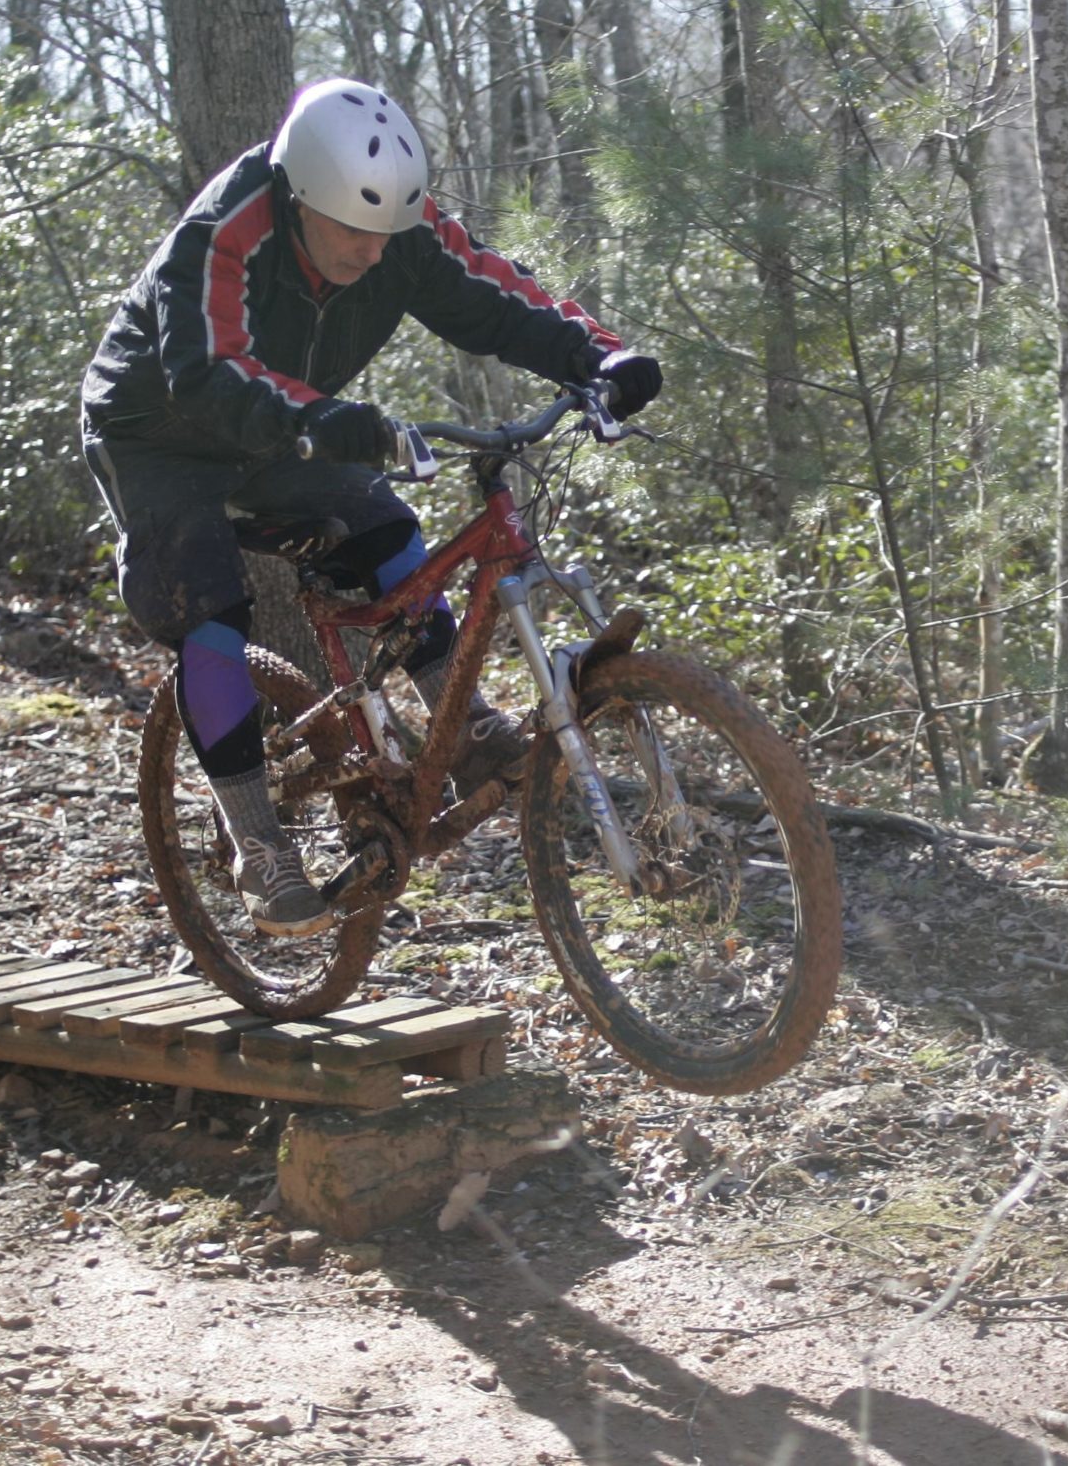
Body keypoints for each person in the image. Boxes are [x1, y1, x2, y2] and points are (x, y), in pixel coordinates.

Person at [78, 79, 661, 938]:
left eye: (386, 231)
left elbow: (492, 290)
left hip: (280, 425)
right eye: (352, 230)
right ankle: (256, 840)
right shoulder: (223, 234)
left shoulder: (399, 233)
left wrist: (601, 356)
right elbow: (207, 368)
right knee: (209, 612)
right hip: (156, 432)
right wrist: (322, 419)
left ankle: (462, 736)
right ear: (299, 198)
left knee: (388, 533)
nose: (372, 251)